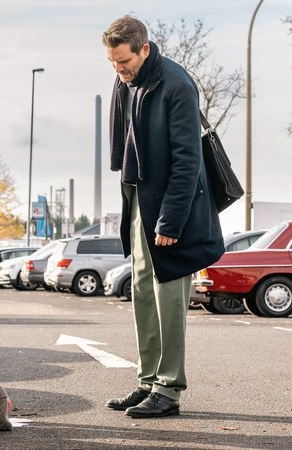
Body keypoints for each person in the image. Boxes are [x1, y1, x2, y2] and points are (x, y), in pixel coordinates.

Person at [102, 16, 225, 418]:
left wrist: (171, 220)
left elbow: (188, 161)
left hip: (172, 205)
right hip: (140, 197)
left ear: (144, 49)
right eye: (112, 62)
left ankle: (168, 389)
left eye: (124, 62)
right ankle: (148, 381)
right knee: (142, 290)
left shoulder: (176, 84)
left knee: (168, 296)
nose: (118, 70)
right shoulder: (128, 82)